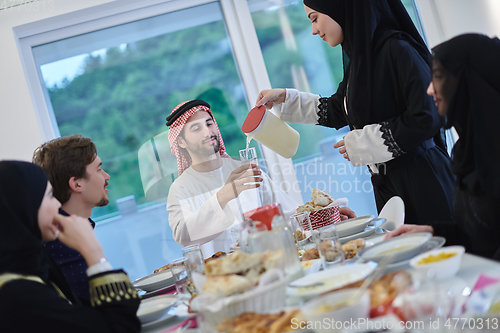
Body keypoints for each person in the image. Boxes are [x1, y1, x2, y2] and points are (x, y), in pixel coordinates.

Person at [255, 0, 456, 230]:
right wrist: (286, 97)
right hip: (388, 186)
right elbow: (340, 110)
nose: (313, 30)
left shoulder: (397, 48)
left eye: (314, 18)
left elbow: (429, 115)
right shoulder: (361, 61)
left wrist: (366, 142)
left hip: (424, 181)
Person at [165, 100, 355, 258]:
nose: (207, 132)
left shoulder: (246, 170)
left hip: (271, 265)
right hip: (223, 281)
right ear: (180, 141)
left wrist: (327, 216)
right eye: (196, 128)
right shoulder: (181, 188)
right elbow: (183, 235)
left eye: (208, 123)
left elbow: (287, 218)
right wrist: (224, 195)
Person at [386, 34, 500, 259]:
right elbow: (481, 236)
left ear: (469, 81)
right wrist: (432, 232)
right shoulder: (466, 151)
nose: (430, 89)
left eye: (438, 77)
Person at [0, 161, 140, 332]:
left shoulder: (34, 263)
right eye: (49, 196)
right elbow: (120, 327)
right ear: (25, 206)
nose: (57, 205)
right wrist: (94, 254)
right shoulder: (16, 294)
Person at [33, 134, 110, 305]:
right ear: (77, 184)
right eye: (98, 169)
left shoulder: (68, 231)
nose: (106, 176)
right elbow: (105, 306)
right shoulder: (60, 241)